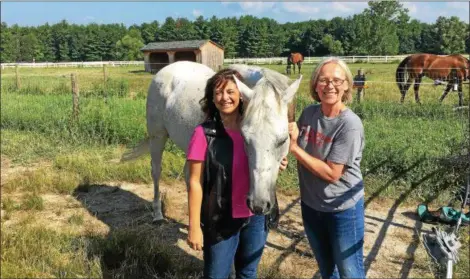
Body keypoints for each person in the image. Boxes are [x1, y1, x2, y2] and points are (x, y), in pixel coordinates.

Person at [185, 68, 286, 279]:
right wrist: (194, 226)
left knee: (248, 272)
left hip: (255, 216)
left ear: (241, 94)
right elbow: (195, 182)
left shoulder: (255, 127)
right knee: (216, 275)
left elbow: (275, 145)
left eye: (230, 91)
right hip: (221, 217)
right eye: (218, 93)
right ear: (211, 98)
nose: (225, 98)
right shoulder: (204, 134)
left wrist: (279, 160)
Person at [288, 57, 366, 279]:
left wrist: (294, 149)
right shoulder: (309, 114)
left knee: (350, 271)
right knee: (327, 269)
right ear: (315, 85)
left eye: (336, 80)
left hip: (342, 209)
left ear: (346, 85)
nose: (329, 86)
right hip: (311, 206)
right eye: (323, 80)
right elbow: (295, 147)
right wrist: (286, 147)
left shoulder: (349, 124)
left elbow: (332, 174)